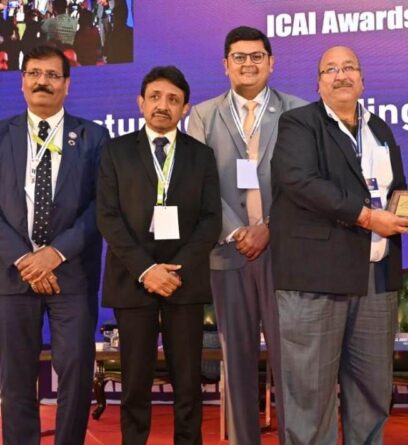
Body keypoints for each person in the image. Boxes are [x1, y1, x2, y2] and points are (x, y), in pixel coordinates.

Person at [270, 45, 408, 445]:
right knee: (310, 396)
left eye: (349, 67)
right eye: (330, 69)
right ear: (318, 83)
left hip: (375, 278)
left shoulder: (380, 129)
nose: (341, 75)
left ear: (362, 80)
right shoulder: (299, 124)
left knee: (372, 393)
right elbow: (301, 182)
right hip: (316, 279)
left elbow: (394, 189)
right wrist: (367, 217)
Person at [187, 25, 306, 444]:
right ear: (225, 65)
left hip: (283, 252)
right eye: (239, 57)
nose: (248, 64)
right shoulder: (203, 115)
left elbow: (303, 183)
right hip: (228, 253)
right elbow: (198, 185)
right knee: (235, 361)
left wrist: (269, 229)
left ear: (271, 63)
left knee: (291, 360)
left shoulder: (297, 111)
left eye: (257, 56)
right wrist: (238, 232)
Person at [96, 65, 222, 445]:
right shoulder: (115, 152)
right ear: (140, 102)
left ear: (185, 108)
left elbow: (211, 220)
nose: (162, 106)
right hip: (133, 281)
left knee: (188, 384)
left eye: (172, 99)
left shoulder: (201, 156)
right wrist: (147, 270)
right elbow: (107, 217)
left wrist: (174, 271)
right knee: (135, 383)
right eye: (154, 97)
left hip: (184, 284)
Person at [0, 45, 109, 445]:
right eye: (33, 73)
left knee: (76, 375)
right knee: (15, 379)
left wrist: (54, 253)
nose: (42, 81)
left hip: (72, 275)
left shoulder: (94, 136)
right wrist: (24, 258)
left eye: (51, 75)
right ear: (22, 81)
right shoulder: (1, 134)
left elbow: (101, 206)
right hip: (13, 275)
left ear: (67, 84)